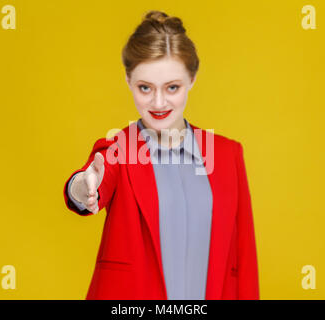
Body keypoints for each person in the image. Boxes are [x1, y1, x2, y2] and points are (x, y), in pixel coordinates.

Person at [63, 10, 259, 300]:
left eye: (172, 87)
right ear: (128, 80)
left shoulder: (228, 154)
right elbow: (90, 183)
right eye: (145, 87)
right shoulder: (119, 150)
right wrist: (83, 185)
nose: (158, 102)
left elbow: (244, 258)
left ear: (192, 79)